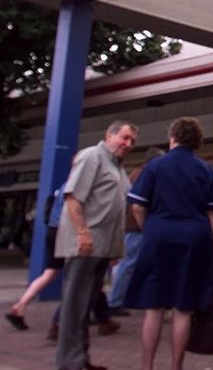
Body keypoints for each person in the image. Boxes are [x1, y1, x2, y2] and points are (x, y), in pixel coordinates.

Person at [125, 117, 213, 370]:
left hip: (158, 236)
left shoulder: (155, 166)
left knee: (154, 306)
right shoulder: (204, 169)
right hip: (194, 239)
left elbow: (137, 205)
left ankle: (147, 366)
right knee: (183, 307)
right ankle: (176, 366)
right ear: (197, 141)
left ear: (173, 137)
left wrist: (151, 229)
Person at [55, 120, 139, 370]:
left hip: (103, 248)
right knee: (74, 306)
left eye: (132, 141)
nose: (128, 144)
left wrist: (114, 249)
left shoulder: (119, 169)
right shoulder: (92, 156)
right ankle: (70, 363)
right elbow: (73, 198)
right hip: (85, 246)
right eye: (124, 138)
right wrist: (82, 233)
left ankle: (81, 359)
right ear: (109, 134)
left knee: (84, 306)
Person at [107, 147, 164, 316]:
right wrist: (146, 227)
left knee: (133, 264)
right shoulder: (147, 174)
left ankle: (125, 299)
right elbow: (139, 205)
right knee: (129, 264)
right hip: (138, 228)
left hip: (133, 227)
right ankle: (115, 301)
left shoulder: (136, 174)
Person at [6, 179, 69, 332]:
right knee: (78, 274)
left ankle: (20, 306)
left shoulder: (62, 186)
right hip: (65, 232)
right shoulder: (76, 185)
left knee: (49, 273)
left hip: (52, 230)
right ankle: (64, 320)